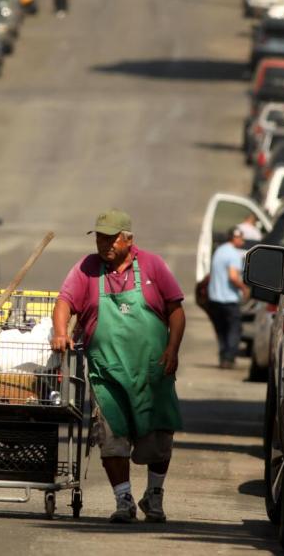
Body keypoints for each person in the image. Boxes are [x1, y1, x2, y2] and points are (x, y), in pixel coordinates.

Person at [52, 209, 185, 524]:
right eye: (100, 237)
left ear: (128, 239)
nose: (104, 244)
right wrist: (60, 332)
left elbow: (176, 311)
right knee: (111, 437)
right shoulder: (87, 268)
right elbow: (64, 302)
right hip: (107, 373)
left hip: (153, 372)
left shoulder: (153, 265)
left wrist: (172, 350)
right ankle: (123, 499)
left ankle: (154, 496)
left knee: (159, 435)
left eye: (111, 238)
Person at [207, 227, 249, 369]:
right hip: (229, 299)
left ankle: (223, 356)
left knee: (221, 330)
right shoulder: (233, 254)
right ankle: (229, 358)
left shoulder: (219, 251)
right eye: (241, 238)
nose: (242, 241)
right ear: (235, 238)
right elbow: (233, 276)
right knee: (234, 329)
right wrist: (244, 288)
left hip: (214, 298)